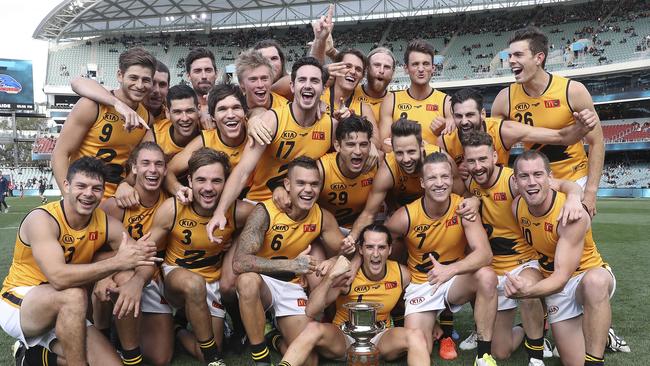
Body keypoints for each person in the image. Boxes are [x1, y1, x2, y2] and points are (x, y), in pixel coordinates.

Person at [1, 157, 158, 366]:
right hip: (22, 302)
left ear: (103, 192)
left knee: (111, 364)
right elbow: (58, 278)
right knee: (74, 294)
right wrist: (114, 265)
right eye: (81, 186)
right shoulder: (42, 219)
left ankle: (32, 356)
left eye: (96, 188)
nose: (88, 194)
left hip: (68, 309)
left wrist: (136, 283)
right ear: (66, 185)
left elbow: (145, 260)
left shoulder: (104, 222)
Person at [462, 130, 587, 365]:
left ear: (494, 157)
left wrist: (573, 196)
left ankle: (536, 357)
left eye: (482, 159)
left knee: (527, 288)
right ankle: (531, 327)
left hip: (524, 263)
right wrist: (473, 198)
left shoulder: (515, 180)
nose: (477, 166)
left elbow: (560, 184)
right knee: (501, 351)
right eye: (471, 161)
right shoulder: (470, 182)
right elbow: (473, 194)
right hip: (494, 269)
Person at [385, 152, 498, 366]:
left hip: (454, 281)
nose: (440, 183)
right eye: (432, 178)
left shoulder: (463, 208)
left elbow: (485, 254)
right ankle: (432, 329)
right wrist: (400, 277)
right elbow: (380, 247)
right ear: (422, 183)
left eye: (445, 177)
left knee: (486, 276)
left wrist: (450, 270)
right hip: (422, 284)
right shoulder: (404, 217)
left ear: (451, 179)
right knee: (420, 348)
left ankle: (483, 356)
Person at [232, 156, 345, 366]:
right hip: (263, 283)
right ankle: (261, 357)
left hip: (291, 288)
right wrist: (292, 265)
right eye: (301, 183)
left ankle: (274, 338)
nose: (308, 190)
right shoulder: (264, 211)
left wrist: (333, 259)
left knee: (310, 360)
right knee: (246, 280)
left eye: (314, 184)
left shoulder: (322, 217)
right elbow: (239, 263)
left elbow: (346, 251)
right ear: (287, 185)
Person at [506, 151, 615, 366]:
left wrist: (527, 292)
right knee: (572, 361)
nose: (531, 182)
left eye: (538, 175)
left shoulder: (571, 214)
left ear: (550, 178)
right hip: (552, 277)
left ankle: (597, 356)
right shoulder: (517, 206)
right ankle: (536, 358)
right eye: (524, 176)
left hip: (582, 277)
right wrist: (526, 288)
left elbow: (562, 278)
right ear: (515, 181)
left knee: (596, 282)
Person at [207, 57, 335, 239]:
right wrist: (220, 211)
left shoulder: (331, 126)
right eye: (302, 80)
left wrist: (371, 148)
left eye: (314, 81)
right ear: (292, 86)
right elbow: (243, 170)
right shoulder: (272, 120)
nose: (308, 85)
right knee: (233, 267)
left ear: (323, 88)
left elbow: (351, 148)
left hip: (300, 210)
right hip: (259, 203)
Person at [149, 147, 255, 366]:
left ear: (227, 184)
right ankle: (214, 360)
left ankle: (178, 328)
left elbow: (267, 218)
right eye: (201, 180)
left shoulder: (236, 210)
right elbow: (149, 248)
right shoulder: (173, 208)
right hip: (176, 280)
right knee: (194, 284)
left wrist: (236, 242)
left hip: (211, 281)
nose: (208, 188)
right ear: (189, 180)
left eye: (217, 181)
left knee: (206, 347)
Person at [491, 26, 604, 218]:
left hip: (574, 180)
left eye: (518, 55)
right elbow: (496, 148)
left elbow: (597, 142)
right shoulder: (504, 98)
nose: (510, 61)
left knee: (572, 241)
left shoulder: (573, 91)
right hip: (533, 184)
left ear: (539, 58)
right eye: (510, 55)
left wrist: (591, 192)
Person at [279, 224, 430, 366]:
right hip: (345, 337)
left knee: (416, 335)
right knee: (313, 328)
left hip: (381, 336)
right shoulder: (348, 275)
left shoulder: (402, 274)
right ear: (361, 250)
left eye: (382, 247)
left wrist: (434, 323)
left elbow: (414, 301)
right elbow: (311, 310)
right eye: (370, 247)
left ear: (390, 250)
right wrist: (330, 278)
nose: (376, 254)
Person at [96, 142, 170, 365]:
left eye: (159, 164)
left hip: (151, 275)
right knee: (123, 277)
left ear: (165, 170)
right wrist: (105, 274)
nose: (152, 170)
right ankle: (112, 341)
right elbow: (90, 252)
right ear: (134, 168)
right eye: (145, 163)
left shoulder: (171, 203)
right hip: (117, 273)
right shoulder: (115, 206)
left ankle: (125, 331)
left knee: (160, 358)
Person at [53, 47, 155, 199]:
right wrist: (69, 197)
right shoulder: (92, 106)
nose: (140, 85)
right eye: (133, 78)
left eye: (146, 80)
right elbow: (59, 154)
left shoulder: (146, 118)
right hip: (84, 196)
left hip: (117, 201)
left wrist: (126, 184)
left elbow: (140, 165)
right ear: (120, 75)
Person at [440, 88, 598, 176]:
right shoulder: (445, 141)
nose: (464, 121)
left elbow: (560, 137)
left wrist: (581, 128)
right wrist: (457, 171)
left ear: (482, 114)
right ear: (452, 116)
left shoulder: (503, 130)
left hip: (502, 195)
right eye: (459, 116)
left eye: (470, 115)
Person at [165, 83, 249, 201]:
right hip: (215, 202)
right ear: (213, 116)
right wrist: (179, 189)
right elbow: (168, 170)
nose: (230, 115)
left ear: (245, 111)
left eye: (236, 107)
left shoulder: (255, 130)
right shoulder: (204, 141)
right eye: (222, 109)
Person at [379, 39, 452, 147]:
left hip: (433, 162)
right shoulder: (391, 101)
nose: (421, 69)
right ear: (406, 69)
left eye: (426, 64)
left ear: (433, 68)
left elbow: (453, 150)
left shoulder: (446, 103)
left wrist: (442, 135)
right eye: (415, 64)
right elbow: (385, 146)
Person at [185, 47, 219, 130]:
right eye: (197, 71)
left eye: (208, 70)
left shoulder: (230, 102)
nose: (204, 76)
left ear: (216, 74)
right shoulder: (180, 107)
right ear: (188, 76)